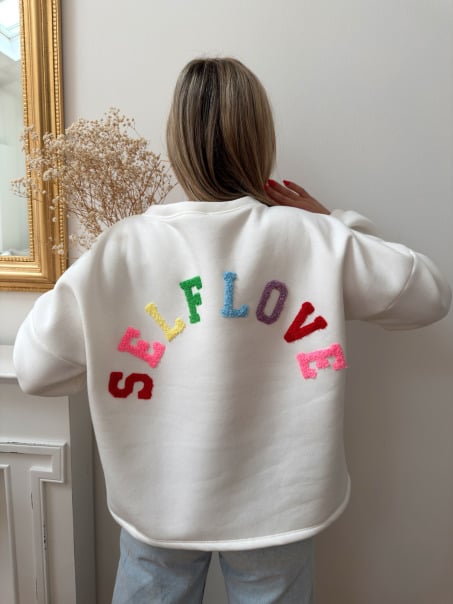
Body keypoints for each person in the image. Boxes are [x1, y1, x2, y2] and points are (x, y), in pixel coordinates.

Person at [13, 57, 451, 604]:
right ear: (259, 139)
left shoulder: (122, 248)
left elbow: (35, 370)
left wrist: (99, 276)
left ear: (177, 143)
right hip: (279, 505)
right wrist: (334, 222)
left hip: (159, 503)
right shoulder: (311, 237)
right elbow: (427, 295)